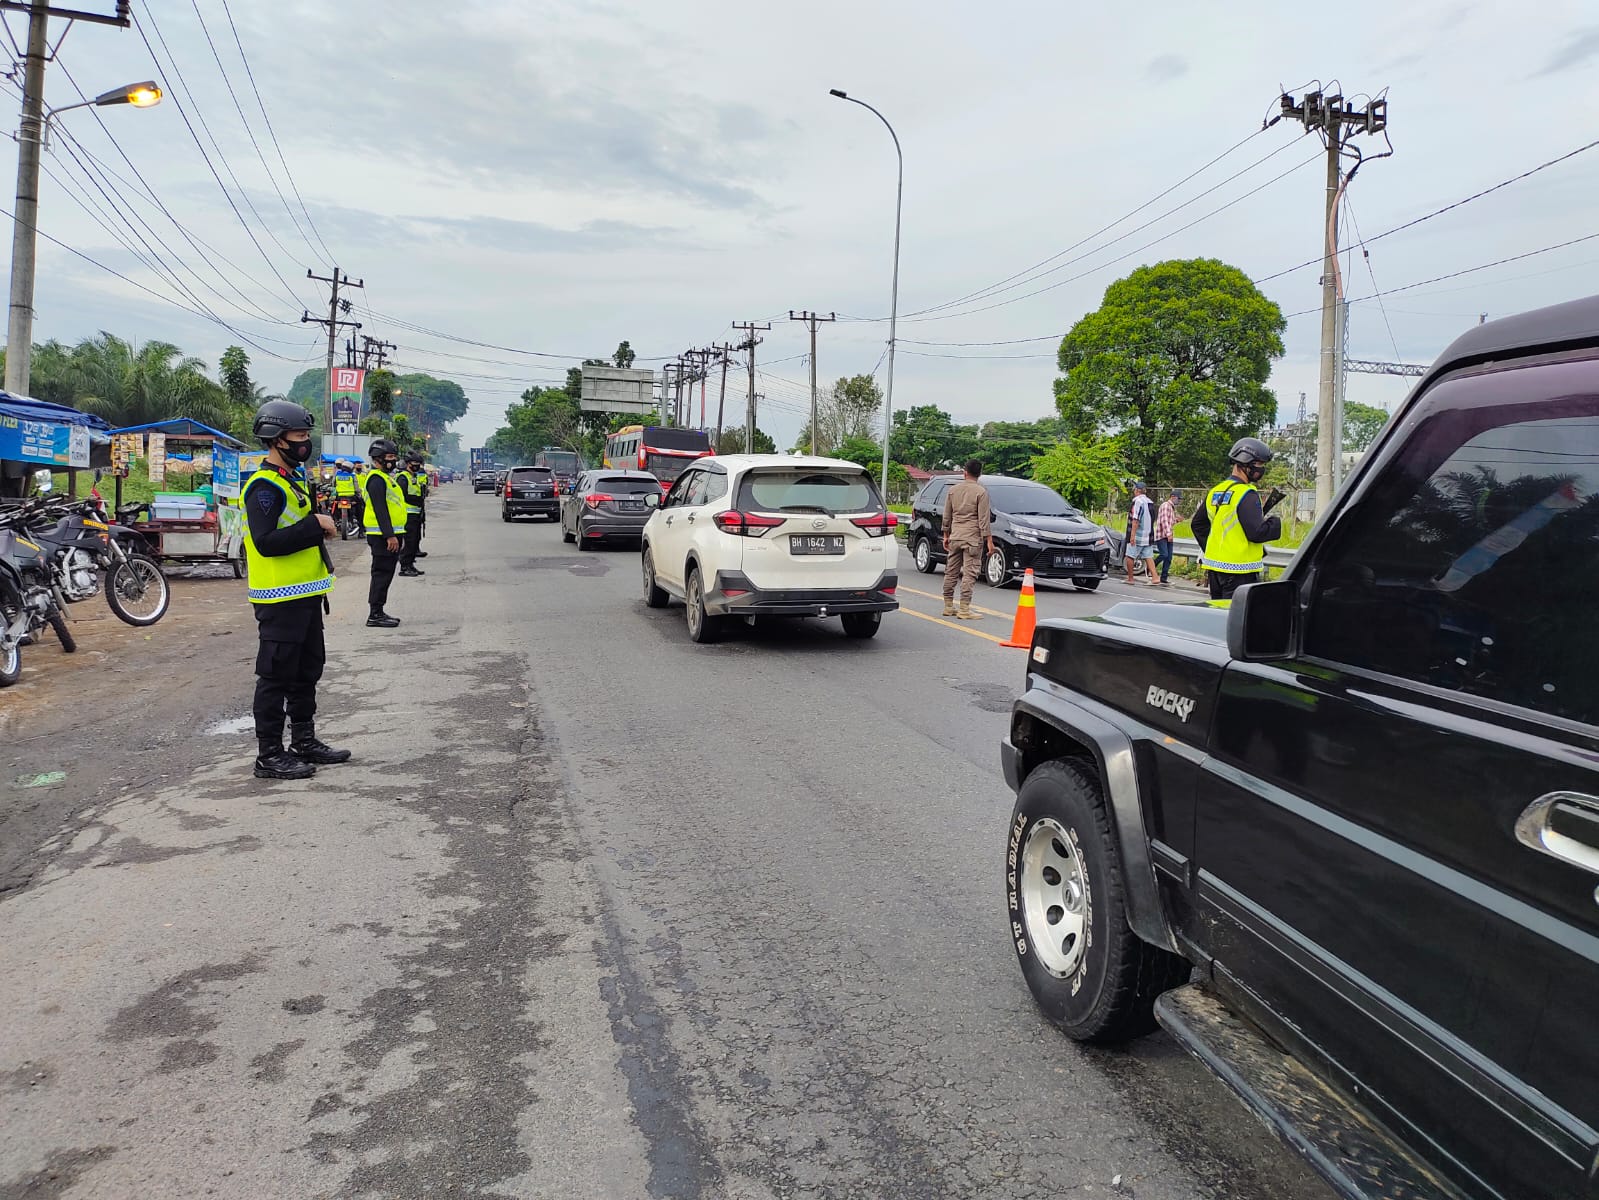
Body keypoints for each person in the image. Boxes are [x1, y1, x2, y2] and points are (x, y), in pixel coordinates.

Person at [241, 400, 351, 780]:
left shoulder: (294, 478)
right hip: (278, 598)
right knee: (275, 676)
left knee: (307, 671)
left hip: (305, 594)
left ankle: (304, 741)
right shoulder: (264, 487)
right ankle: (269, 755)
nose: (305, 444)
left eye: (306, 436)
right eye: (299, 437)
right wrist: (315, 525)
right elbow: (266, 541)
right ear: (276, 439)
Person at [1191, 437, 1283, 605]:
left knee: (1219, 616)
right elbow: (1257, 532)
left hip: (1215, 568)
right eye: (1259, 465)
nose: (1261, 470)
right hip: (1240, 571)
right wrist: (1275, 522)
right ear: (1245, 463)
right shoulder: (1246, 493)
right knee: (1238, 621)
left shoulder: (1216, 491)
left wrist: (1212, 550)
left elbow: (1197, 524)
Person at [362, 438, 408, 628]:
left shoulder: (385, 477)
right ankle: (375, 614)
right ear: (378, 458)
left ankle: (379, 611)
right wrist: (389, 535)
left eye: (394, 457)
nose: (393, 461)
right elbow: (380, 509)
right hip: (382, 536)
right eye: (389, 457)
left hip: (390, 534)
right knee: (381, 574)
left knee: (386, 573)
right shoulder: (376, 479)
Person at [941, 458, 994, 620]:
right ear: (980, 474)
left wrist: (945, 535)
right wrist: (989, 541)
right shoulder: (981, 492)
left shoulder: (953, 490)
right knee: (969, 573)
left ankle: (948, 606)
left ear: (965, 472)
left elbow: (947, 515)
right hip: (972, 538)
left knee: (951, 571)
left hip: (955, 536)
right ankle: (964, 608)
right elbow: (983, 519)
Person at [397, 453, 427, 576]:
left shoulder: (412, 477)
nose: (417, 466)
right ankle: (405, 566)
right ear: (408, 464)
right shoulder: (403, 477)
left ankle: (410, 565)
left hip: (415, 513)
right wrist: (417, 499)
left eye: (419, 464)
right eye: (415, 464)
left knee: (414, 541)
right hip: (407, 514)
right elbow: (403, 496)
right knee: (409, 542)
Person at [1123, 481, 1156, 585]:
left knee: (1130, 555)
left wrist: (1132, 536)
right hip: (1148, 534)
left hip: (1138, 535)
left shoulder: (1137, 501)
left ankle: (1130, 578)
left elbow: (1135, 519)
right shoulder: (1150, 502)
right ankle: (1155, 577)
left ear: (1136, 490)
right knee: (1148, 556)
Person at [1154, 489, 1179, 586]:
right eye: (1178, 498)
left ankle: (1164, 578)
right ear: (1173, 497)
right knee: (1164, 554)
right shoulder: (1166, 506)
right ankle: (1150, 567)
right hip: (1162, 535)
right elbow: (1164, 521)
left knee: (1169, 557)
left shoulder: (1171, 507)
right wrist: (1168, 534)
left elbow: (1169, 522)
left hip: (1168, 535)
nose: (1179, 501)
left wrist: (1176, 520)